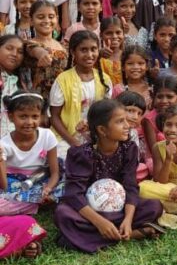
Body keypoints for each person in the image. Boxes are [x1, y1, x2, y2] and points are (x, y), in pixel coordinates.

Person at [54, 99, 164, 254]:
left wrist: (128, 219)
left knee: (154, 206)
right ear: (102, 129)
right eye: (120, 121)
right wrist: (100, 223)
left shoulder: (129, 149)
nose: (127, 125)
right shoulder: (82, 154)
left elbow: (131, 186)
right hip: (89, 211)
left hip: (119, 210)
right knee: (62, 214)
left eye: (126, 120)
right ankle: (132, 234)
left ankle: (88, 237)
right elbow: (74, 194)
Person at [50, 31, 112, 158]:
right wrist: (73, 142)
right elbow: (54, 117)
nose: (89, 55)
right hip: (67, 136)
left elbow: (106, 113)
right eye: (83, 50)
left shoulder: (104, 79)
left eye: (93, 49)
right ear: (73, 52)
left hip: (96, 135)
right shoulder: (63, 80)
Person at [0, 91, 63, 216]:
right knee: (4, 199)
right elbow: (4, 185)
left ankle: (37, 201)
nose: (29, 122)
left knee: (67, 183)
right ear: (11, 117)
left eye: (35, 116)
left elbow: (55, 172)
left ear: (41, 116)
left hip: (41, 178)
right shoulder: (4, 144)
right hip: (14, 183)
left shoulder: (47, 136)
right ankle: (37, 204)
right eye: (23, 116)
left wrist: (48, 189)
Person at [22, 1, 68, 102]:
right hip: (37, 101)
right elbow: (36, 50)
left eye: (51, 17)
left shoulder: (64, 46)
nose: (47, 20)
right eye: (40, 17)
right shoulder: (29, 44)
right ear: (31, 21)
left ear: (57, 19)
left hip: (61, 99)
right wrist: (42, 54)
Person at [142, 75, 177, 166]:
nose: (164, 101)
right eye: (160, 97)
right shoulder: (149, 120)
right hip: (159, 161)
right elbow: (154, 151)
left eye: (169, 97)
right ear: (154, 97)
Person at [0, 35, 25, 138]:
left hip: (15, 143)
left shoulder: (21, 82)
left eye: (20, 52)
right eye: (9, 48)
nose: (15, 54)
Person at [112, 45, 152, 110]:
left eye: (140, 63)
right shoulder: (118, 90)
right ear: (123, 67)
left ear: (147, 66)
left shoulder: (152, 89)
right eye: (130, 63)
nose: (136, 67)